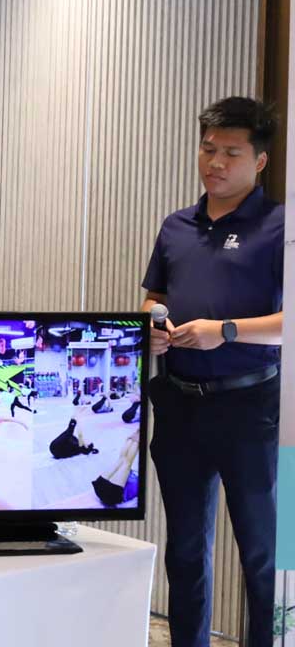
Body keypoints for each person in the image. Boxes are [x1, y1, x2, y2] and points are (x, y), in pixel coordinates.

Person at [142, 97, 282, 647]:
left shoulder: (281, 227)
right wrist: (152, 328)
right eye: (207, 149)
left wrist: (224, 330)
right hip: (180, 403)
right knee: (185, 549)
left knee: (266, 553)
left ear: (260, 161)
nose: (215, 162)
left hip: (254, 409)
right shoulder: (176, 225)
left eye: (231, 152)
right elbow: (154, 297)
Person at [91, 430, 140, 506]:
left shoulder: (131, 475)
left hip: (99, 486)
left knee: (121, 460)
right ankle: (135, 439)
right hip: (111, 494)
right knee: (126, 463)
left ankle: (131, 439)